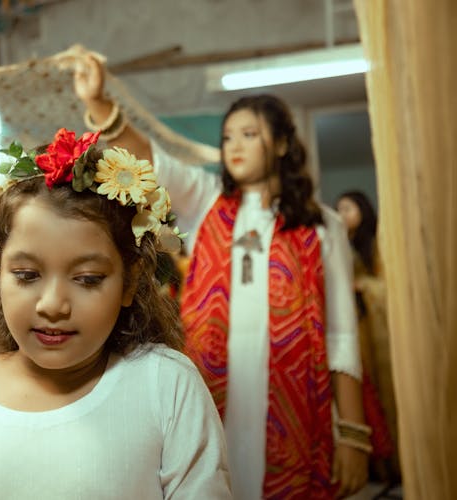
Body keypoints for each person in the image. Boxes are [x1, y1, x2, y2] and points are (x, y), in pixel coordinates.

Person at [0, 128, 232, 499]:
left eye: (88, 279)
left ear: (129, 283)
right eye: (27, 275)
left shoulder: (165, 386)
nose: (52, 305)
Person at [74, 55, 370, 499]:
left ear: (284, 144)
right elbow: (149, 160)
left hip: (293, 407)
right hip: (214, 396)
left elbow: (342, 335)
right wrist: (98, 103)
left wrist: (352, 436)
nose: (235, 145)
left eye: (250, 135)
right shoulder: (208, 203)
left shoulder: (321, 226)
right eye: (229, 135)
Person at [336, 190, 399, 484]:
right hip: (352, 331)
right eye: (339, 210)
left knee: (383, 391)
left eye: (348, 208)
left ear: (362, 210)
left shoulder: (373, 245)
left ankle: (393, 463)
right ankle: (374, 465)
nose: (342, 215)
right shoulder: (339, 245)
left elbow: (387, 287)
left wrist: (360, 285)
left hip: (374, 331)